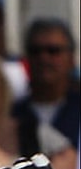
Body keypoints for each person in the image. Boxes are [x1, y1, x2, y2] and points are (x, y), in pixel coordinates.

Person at [11, 18, 80, 150]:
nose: (44, 58)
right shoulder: (11, 116)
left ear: (71, 59)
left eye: (53, 51)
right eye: (35, 51)